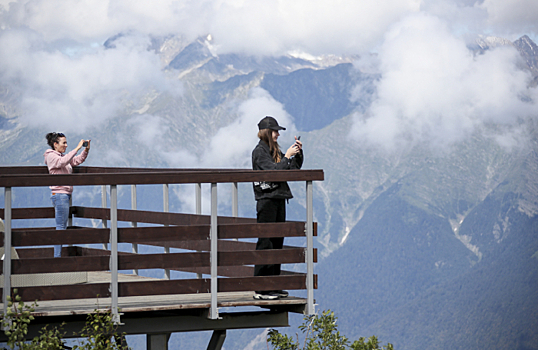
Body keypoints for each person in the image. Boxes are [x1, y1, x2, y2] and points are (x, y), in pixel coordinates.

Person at [252, 116, 303, 300]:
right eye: (275, 131)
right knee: (265, 243)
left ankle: (272, 286)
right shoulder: (260, 152)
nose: (278, 134)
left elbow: (291, 170)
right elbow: (273, 172)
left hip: (278, 199)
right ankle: (261, 289)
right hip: (266, 200)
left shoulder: (275, 151)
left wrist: (296, 154)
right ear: (267, 132)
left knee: (276, 243)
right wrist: (287, 156)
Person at [44, 132, 90, 257]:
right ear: (55, 144)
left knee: (62, 226)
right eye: (63, 143)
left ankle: (57, 257)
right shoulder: (51, 157)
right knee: (60, 227)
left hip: (64, 195)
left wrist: (86, 150)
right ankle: (57, 258)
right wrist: (77, 148)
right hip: (60, 194)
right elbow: (62, 162)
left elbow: (76, 160)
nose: (66, 145)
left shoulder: (62, 156)